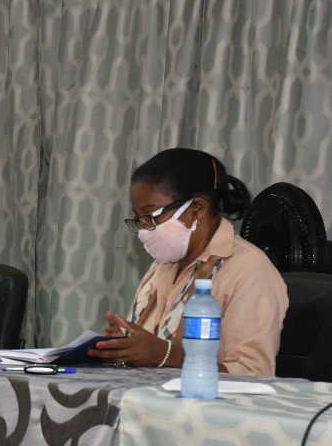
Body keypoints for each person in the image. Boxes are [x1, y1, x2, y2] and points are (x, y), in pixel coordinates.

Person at [89, 148, 288, 377]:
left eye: (151, 216)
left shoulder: (250, 270)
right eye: (138, 219)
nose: (143, 228)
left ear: (197, 209)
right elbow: (149, 350)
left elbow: (254, 376)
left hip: (209, 410)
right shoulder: (164, 265)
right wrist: (123, 347)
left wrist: (166, 356)